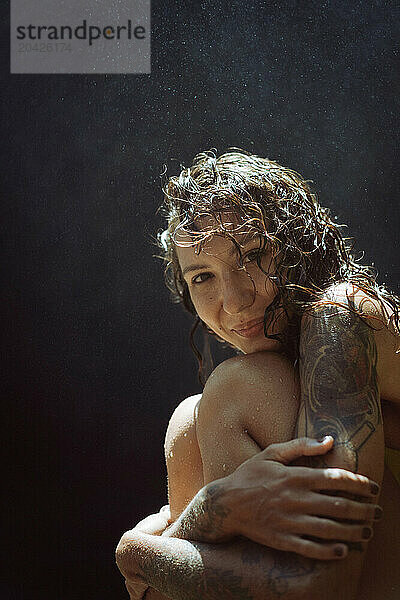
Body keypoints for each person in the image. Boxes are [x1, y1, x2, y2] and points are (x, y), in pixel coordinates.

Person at [116, 150, 400, 599]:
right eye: (203, 277)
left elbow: (322, 589)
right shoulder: (213, 414)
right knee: (191, 417)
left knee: (233, 391)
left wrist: (135, 553)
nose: (233, 300)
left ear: (298, 244)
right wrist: (211, 512)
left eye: (251, 255)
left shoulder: (340, 318)